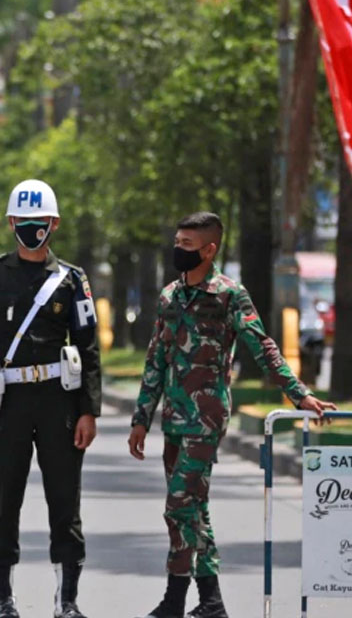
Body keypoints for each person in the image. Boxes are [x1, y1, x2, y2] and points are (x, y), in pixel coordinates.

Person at [128, 212, 335, 618]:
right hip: (174, 417)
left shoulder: (228, 294)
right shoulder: (170, 296)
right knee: (195, 509)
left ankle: (174, 601)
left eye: (187, 244)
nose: (178, 249)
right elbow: (157, 359)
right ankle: (212, 603)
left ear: (210, 249)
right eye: (177, 241)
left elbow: (263, 347)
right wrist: (141, 418)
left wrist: (299, 394)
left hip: (206, 418)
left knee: (178, 506)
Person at [0, 179, 101, 618]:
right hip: (8, 402)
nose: (33, 229)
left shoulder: (72, 279)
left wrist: (89, 410)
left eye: (42, 222)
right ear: (11, 222)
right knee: (4, 499)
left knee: (65, 501)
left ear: (55, 224)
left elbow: (88, 345)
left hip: (59, 402)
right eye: (25, 222)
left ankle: (67, 602)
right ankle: (4, 601)